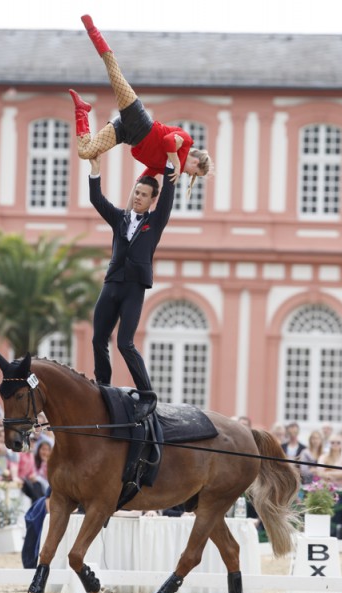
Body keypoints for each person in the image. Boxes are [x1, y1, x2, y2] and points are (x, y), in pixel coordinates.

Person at [70, 15, 213, 193]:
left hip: (126, 134)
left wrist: (129, 209)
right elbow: (169, 141)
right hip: (138, 120)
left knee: (85, 152)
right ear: (195, 162)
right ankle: (92, 30)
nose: (189, 175)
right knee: (114, 74)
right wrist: (176, 163)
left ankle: (82, 110)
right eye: (195, 173)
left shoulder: (165, 167)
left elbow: (144, 178)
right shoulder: (185, 141)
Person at [88, 154, 175, 389]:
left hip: (134, 288)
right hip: (112, 283)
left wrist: (171, 162)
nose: (138, 198)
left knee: (125, 343)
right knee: (98, 338)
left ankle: (146, 392)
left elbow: (168, 196)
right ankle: (103, 385)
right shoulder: (119, 218)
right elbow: (96, 199)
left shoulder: (156, 221)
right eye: (137, 193)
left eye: (144, 195)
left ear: (152, 200)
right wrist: (95, 170)